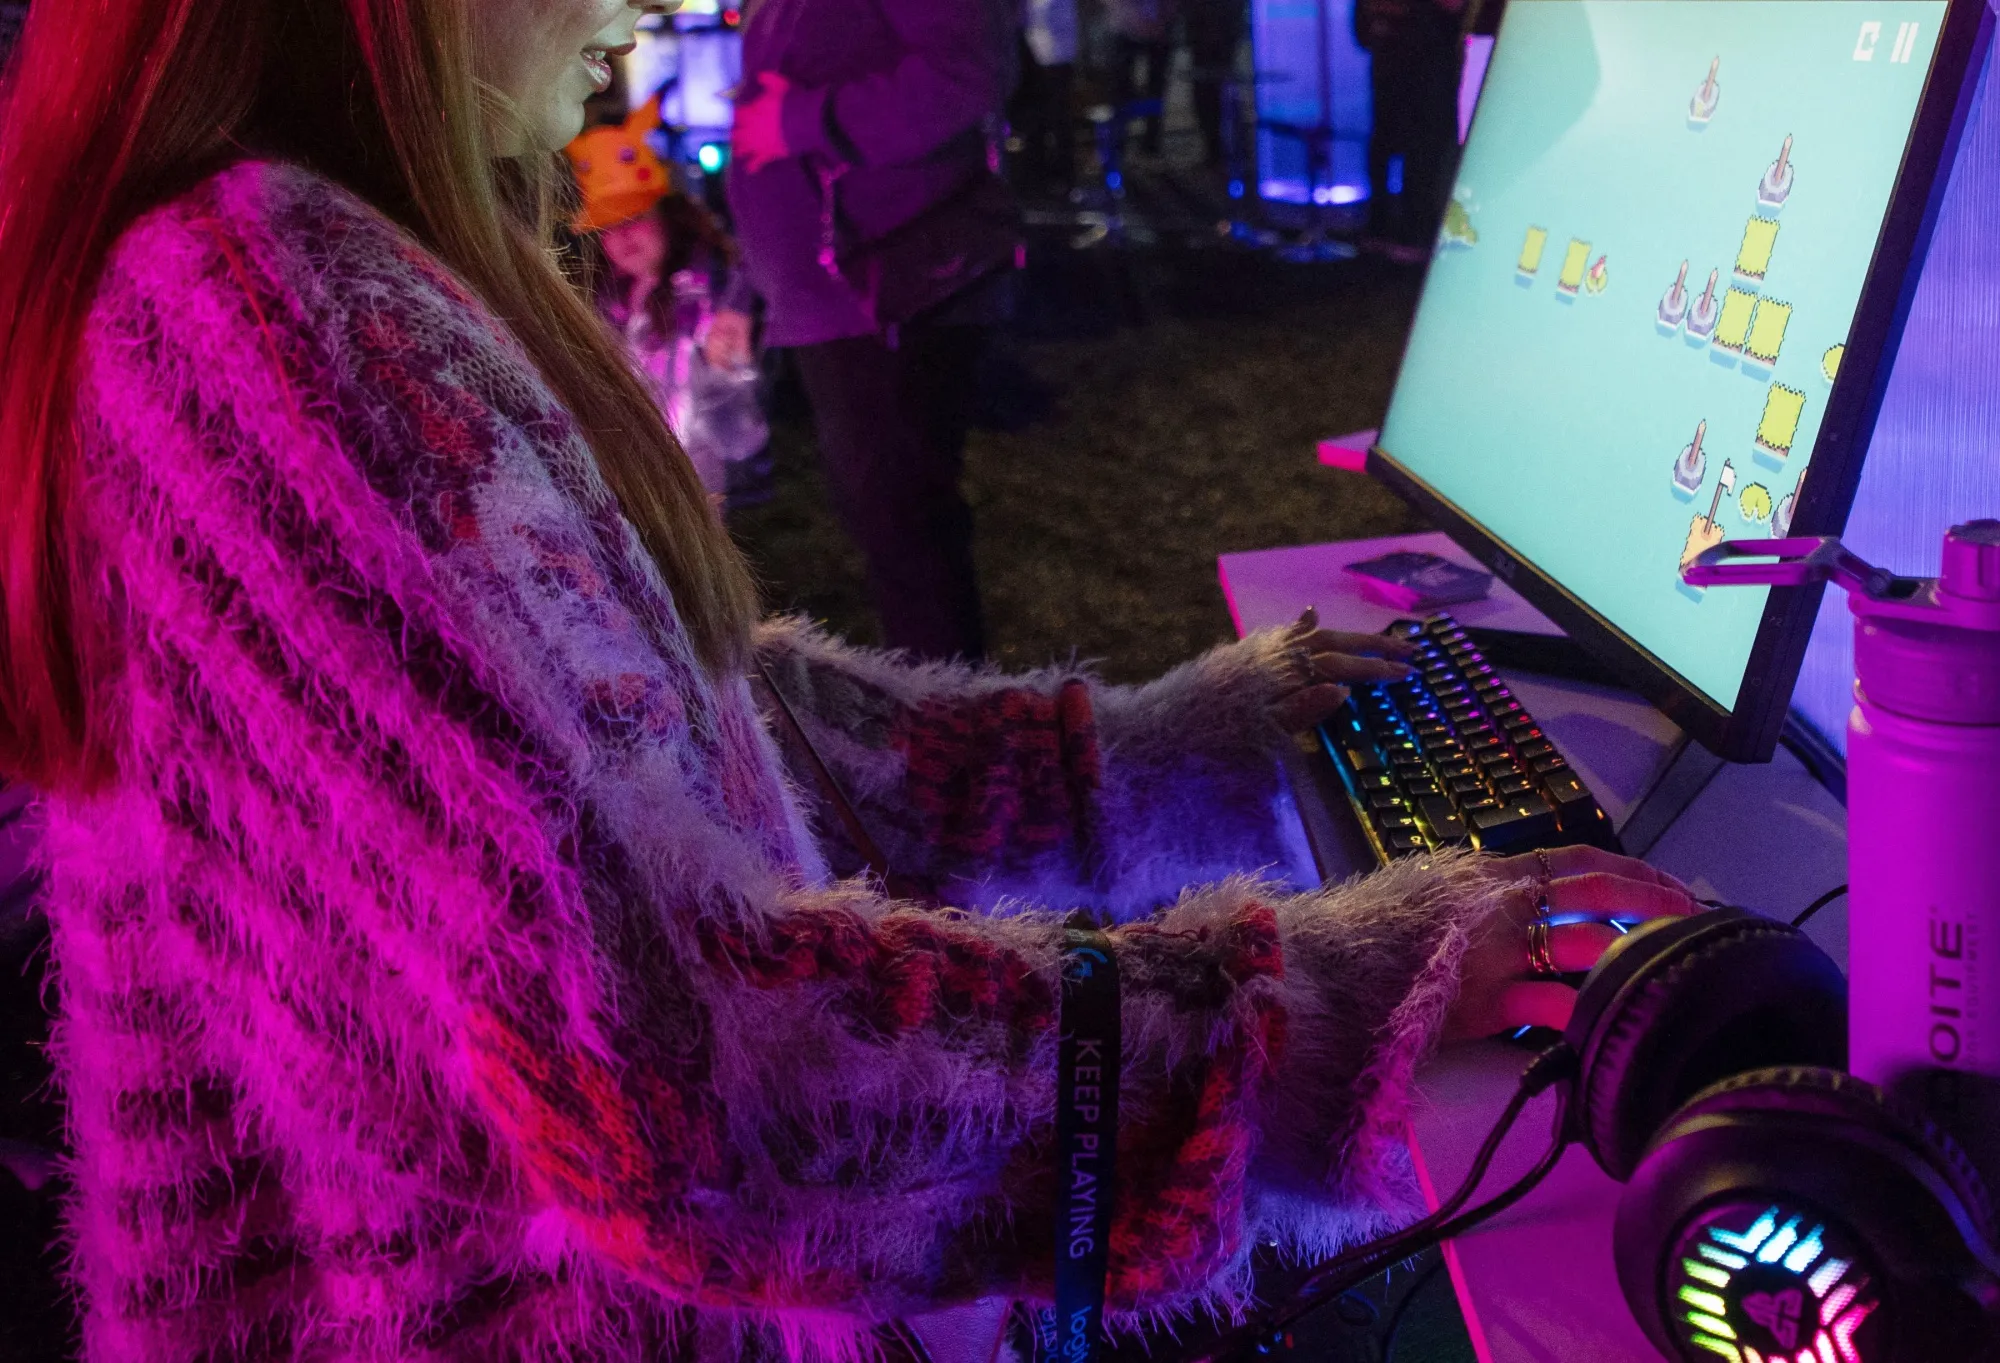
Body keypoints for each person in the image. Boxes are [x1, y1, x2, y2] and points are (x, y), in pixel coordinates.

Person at [0, 2, 1695, 1361]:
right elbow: (678, 1076)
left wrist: (1166, 751)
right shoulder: (266, 308)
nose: (667, 8)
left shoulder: (297, 261)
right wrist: (1321, 1015)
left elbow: (683, 743)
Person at [728, 0, 1020, 663]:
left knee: (905, 528)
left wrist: (803, 119)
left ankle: (955, 736)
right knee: (888, 523)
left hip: (888, 286)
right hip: (837, 289)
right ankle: (943, 720)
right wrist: (747, 287)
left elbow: (965, 77)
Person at [568, 99, 770, 504]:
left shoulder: (712, 292)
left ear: (668, 217)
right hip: (634, 471)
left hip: (698, 468)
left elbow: (732, 411)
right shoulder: (608, 301)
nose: (623, 238)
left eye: (635, 220)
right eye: (609, 227)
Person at [1355, 0, 1466, 257]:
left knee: (1406, 152)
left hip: (1410, 73)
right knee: (1415, 152)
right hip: (1415, 75)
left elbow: (1363, 32)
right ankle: (1403, 233)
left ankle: (1393, 231)